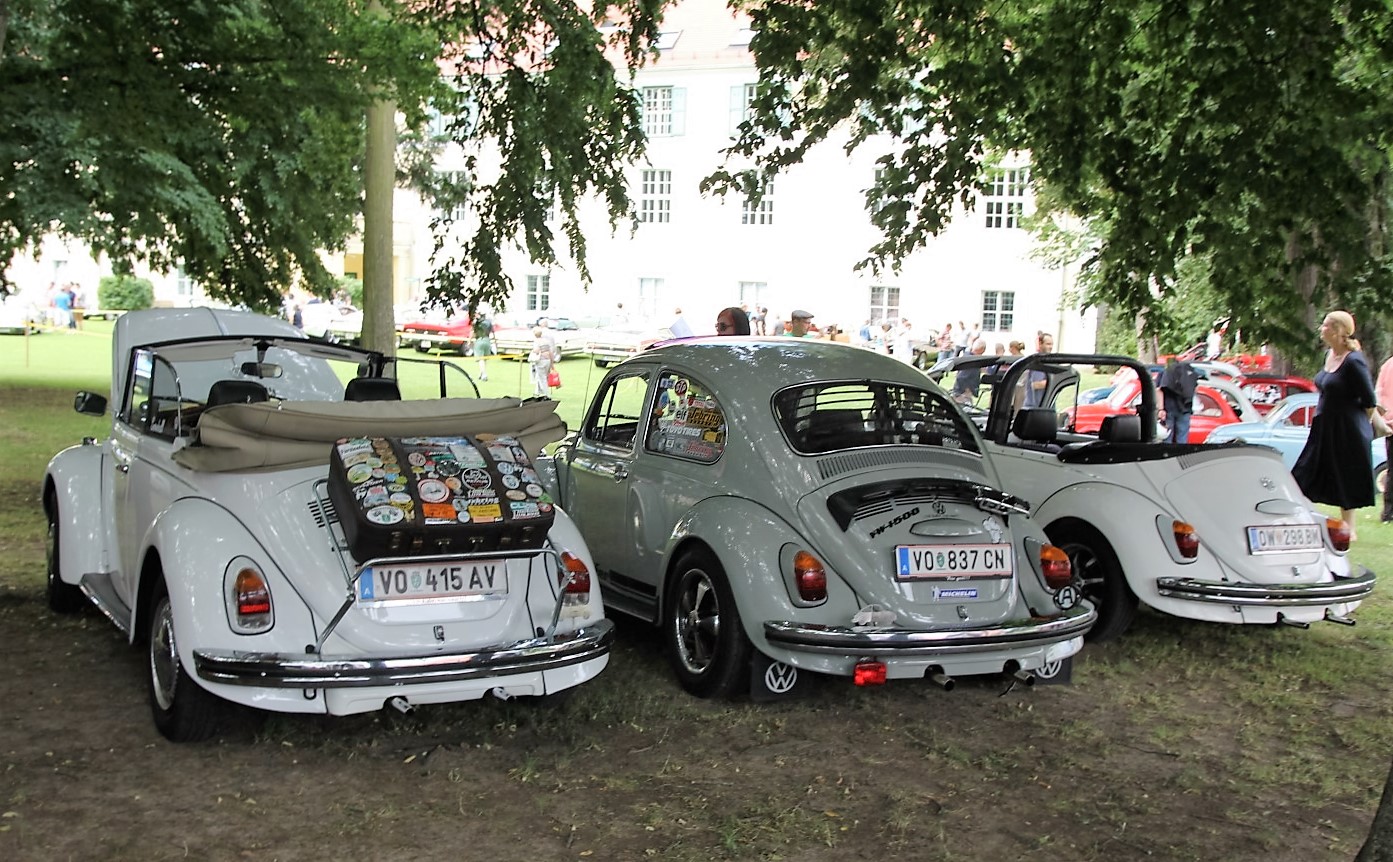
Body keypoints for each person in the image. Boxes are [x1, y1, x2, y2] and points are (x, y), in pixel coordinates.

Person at [1292, 310, 1377, 541]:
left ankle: (1349, 529)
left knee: (1345, 475)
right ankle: (1304, 517)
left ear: (1339, 331)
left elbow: (1369, 400)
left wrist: (1364, 427)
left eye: (1327, 325)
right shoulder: (1329, 355)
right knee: (1306, 471)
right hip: (1324, 425)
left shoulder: (1354, 361)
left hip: (1347, 428)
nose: (1322, 329)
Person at [1159, 355, 1199, 443]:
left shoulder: (1165, 373)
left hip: (1169, 409)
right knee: (1182, 438)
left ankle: (1167, 455)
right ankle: (1180, 455)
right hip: (1185, 409)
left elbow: (1160, 390)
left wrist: (1161, 409)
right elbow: (1195, 389)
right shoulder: (1188, 372)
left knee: (1167, 437)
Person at [1379, 351, 1393, 523]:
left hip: (1389, 425)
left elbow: (1379, 394)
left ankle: (1388, 512)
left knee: (1391, 470)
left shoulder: (1387, 365)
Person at [1023, 331, 1054, 407]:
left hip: (1046, 407)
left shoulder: (1048, 361)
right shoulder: (1038, 362)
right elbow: (1036, 384)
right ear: (1040, 344)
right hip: (1035, 409)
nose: (1051, 347)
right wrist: (1055, 382)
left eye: (1052, 344)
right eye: (1048, 344)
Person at [528, 327, 559, 398]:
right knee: (542, 376)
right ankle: (537, 392)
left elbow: (536, 350)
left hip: (541, 361)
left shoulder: (536, 342)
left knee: (542, 378)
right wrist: (552, 363)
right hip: (548, 360)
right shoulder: (546, 341)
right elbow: (550, 352)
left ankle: (546, 394)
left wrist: (533, 352)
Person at [471, 310, 494, 380]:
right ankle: (481, 373)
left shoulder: (476, 323)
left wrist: (470, 341)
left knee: (480, 359)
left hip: (479, 340)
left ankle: (484, 374)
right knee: (484, 359)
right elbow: (492, 332)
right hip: (487, 340)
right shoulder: (489, 323)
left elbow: (473, 333)